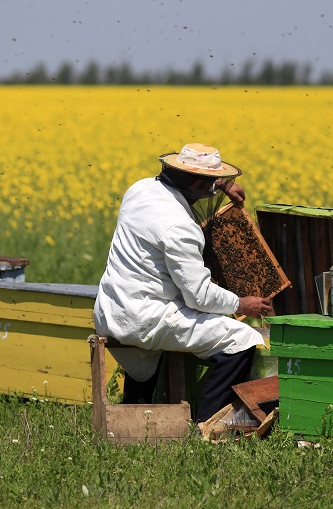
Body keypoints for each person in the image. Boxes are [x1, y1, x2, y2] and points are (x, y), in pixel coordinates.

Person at [93, 143, 273, 425]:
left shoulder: (138, 190)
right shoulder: (179, 226)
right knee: (242, 338)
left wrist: (222, 184)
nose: (210, 193)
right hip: (147, 318)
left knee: (148, 354)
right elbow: (199, 296)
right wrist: (241, 303)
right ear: (199, 183)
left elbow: (189, 177)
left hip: (112, 310)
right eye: (209, 186)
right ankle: (207, 425)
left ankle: (136, 409)